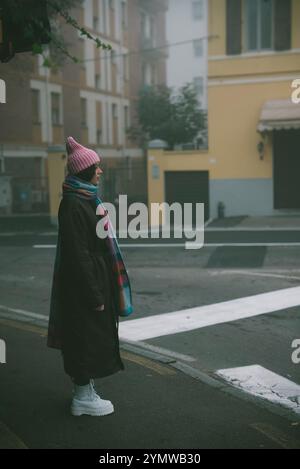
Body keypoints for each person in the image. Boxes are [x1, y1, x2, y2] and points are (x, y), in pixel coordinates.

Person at [47, 136, 133, 417]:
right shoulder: (74, 204)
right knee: (84, 337)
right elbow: (78, 255)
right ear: (84, 170)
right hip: (86, 285)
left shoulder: (85, 198)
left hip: (93, 279)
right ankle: (83, 398)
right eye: (96, 166)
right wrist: (95, 294)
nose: (100, 171)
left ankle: (84, 390)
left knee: (87, 335)